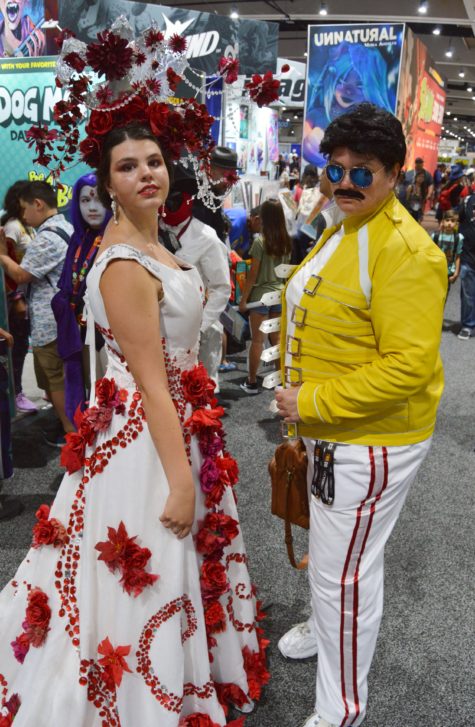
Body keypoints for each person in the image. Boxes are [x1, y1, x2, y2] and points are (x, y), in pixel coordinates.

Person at [0, 60, 268, 727]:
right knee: (147, 563)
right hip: (146, 438)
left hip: (175, 422)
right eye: (128, 166)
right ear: (106, 182)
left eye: (153, 160)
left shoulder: (156, 241)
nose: (146, 172)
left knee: (168, 562)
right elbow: (151, 382)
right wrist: (181, 480)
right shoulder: (122, 261)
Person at [275, 103, 447, 727]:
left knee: (343, 577)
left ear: (396, 173)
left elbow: (409, 367)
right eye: (334, 169)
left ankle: (342, 711)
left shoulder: (407, 251)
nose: (344, 182)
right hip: (332, 432)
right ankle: (328, 635)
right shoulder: (346, 225)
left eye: (362, 172)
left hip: (370, 440)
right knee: (333, 561)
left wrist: (310, 400)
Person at [0, 181, 74, 445]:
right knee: (55, 377)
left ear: (38, 204)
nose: (23, 217)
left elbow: (21, 274)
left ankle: (71, 433)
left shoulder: (48, 237)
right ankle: (65, 425)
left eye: (24, 210)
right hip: (57, 319)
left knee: (54, 378)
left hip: (49, 321)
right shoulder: (65, 227)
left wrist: (2, 255)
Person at [160, 165, 231, 389]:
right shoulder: (152, 232)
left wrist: (200, 325)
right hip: (162, 329)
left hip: (198, 332)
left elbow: (221, 288)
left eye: (174, 197)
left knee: (197, 396)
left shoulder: (207, 238)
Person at [51, 173, 110, 423]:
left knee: (112, 396)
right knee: (89, 392)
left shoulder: (116, 237)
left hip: (111, 332)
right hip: (80, 329)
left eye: (99, 200)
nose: (92, 208)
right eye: (85, 200)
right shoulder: (77, 238)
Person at [238, 198, 291, 394]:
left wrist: (244, 300)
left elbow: (253, 274)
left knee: (258, 340)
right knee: (276, 340)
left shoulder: (260, 241)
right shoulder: (286, 240)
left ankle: (252, 382)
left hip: (260, 296)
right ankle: (279, 381)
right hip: (279, 294)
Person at [0, 179, 37, 413]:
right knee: (17, 346)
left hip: (24, 295)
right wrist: (16, 299)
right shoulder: (13, 226)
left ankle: (17, 392)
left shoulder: (27, 225)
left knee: (21, 345)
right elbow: (4, 261)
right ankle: (16, 393)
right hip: (14, 300)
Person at [192, 146, 238, 244]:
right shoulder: (198, 199)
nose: (228, 182)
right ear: (209, 170)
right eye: (224, 175)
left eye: (232, 176)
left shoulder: (214, 194)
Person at [457, 188, 475, 340]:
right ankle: (468, 325)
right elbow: (457, 219)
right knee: (468, 294)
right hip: (468, 256)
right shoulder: (468, 201)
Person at [431, 209, 463, 293]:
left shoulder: (458, 238)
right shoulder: (435, 236)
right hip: (435, 271)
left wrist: (456, 273)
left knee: (443, 296)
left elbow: (457, 256)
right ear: (443, 221)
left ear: (456, 223)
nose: (449, 223)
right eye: (447, 220)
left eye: (452, 221)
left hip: (448, 272)